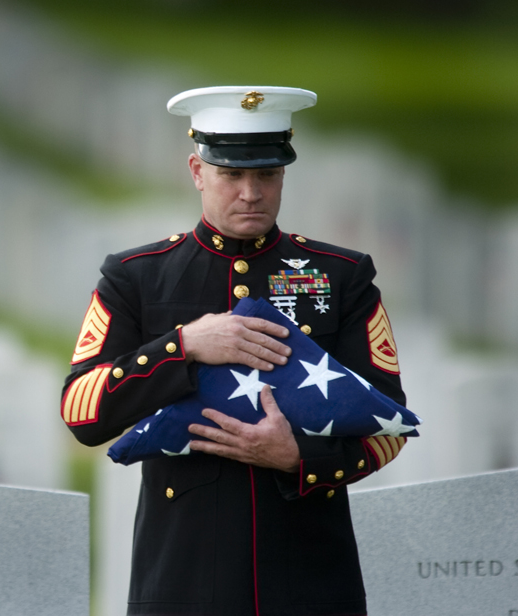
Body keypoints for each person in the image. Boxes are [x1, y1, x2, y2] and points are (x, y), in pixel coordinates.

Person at [61, 86, 407, 616]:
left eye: (266, 174)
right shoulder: (136, 277)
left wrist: (299, 458)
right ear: (198, 171)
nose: (251, 193)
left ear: (284, 175)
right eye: (231, 174)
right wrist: (183, 346)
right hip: (183, 571)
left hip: (309, 573)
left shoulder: (341, 275)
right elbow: (82, 411)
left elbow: (389, 423)